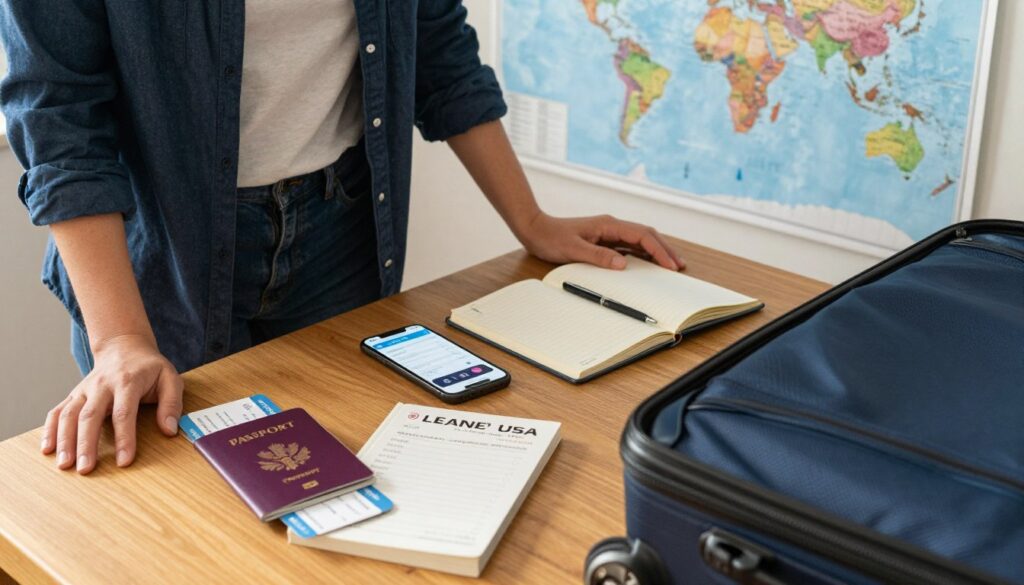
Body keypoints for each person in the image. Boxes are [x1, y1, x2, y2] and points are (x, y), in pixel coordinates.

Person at [0, 1, 684, 476]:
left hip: (343, 235)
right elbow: (59, 117)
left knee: (348, 499)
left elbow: (435, 43)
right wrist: (121, 341)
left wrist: (532, 221)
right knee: (178, 527)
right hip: (155, 260)